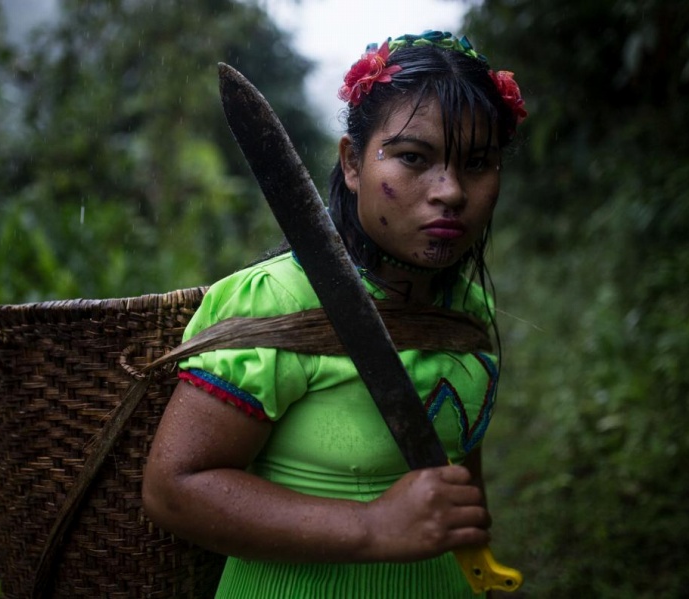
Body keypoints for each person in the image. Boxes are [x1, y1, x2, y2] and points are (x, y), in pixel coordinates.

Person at [143, 30, 527, 598]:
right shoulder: (275, 300)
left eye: (477, 162)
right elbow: (174, 488)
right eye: (414, 158)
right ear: (352, 163)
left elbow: (454, 477)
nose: (450, 191)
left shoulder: (467, 308)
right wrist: (369, 527)